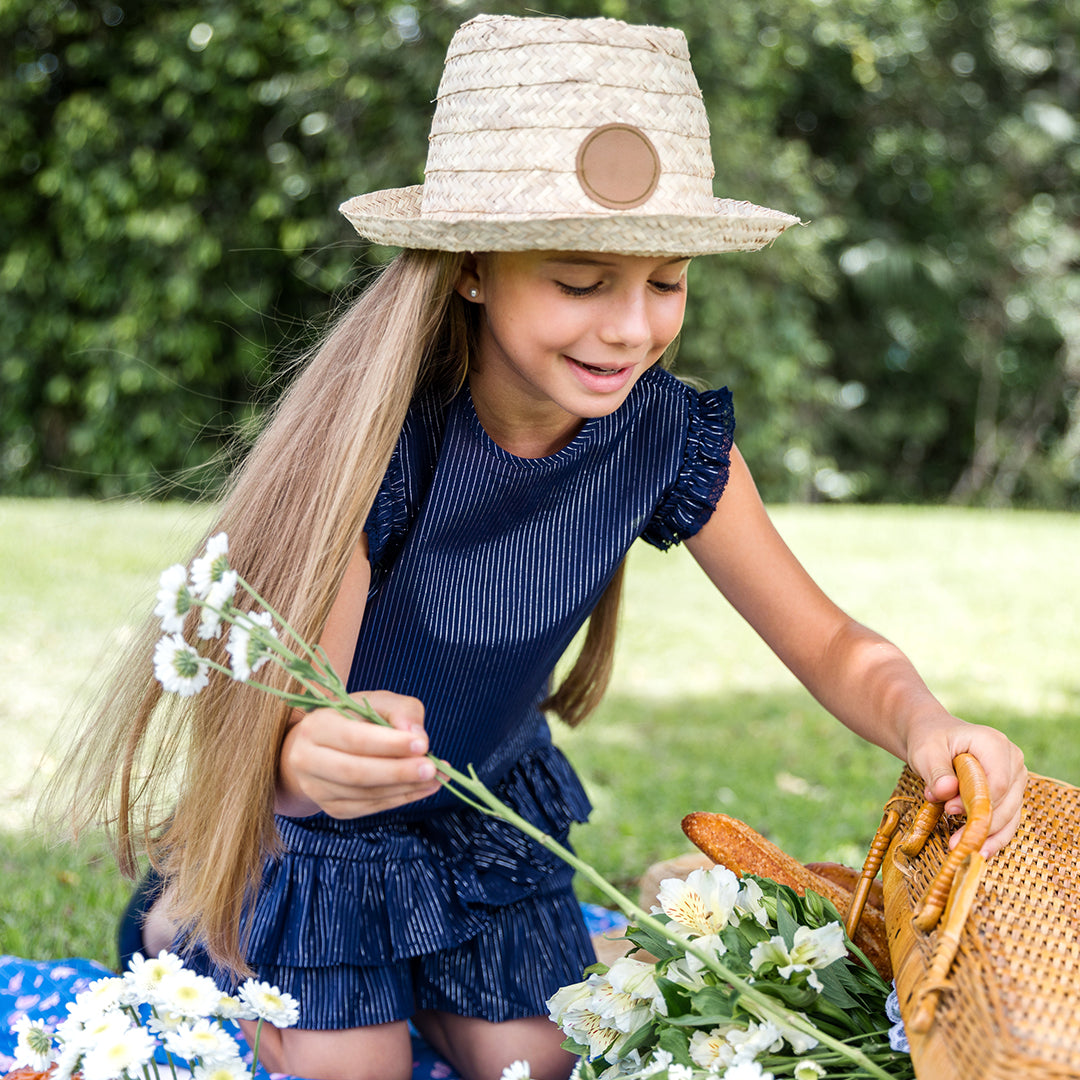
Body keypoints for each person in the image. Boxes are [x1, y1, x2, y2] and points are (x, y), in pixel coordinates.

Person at [50, 14, 1027, 1080]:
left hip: (482, 813)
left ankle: (508, 961)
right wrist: (311, 756)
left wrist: (929, 722)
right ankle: (183, 932)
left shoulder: (666, 437)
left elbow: (835, 643)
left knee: (540, 1059)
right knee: (354, 1072)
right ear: (472, 269)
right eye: (580, 281)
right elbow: (302, 722)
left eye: (666, 283)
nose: (630, 329)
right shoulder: (381, 447)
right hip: (320, 839)